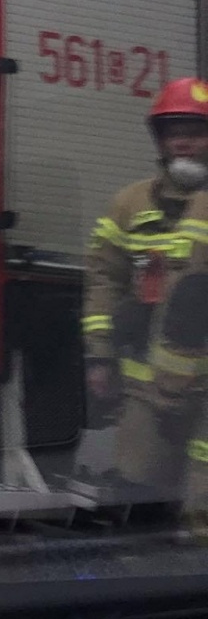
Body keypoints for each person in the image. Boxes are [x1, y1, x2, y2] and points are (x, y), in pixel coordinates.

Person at [83, 77, 208, 521]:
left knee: (200, 507)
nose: (184, 144)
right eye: (173, 132)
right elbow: (104, 280)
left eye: (194, 132)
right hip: (147, 388)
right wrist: (99, 358)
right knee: (138, 501)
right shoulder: (131, 204)